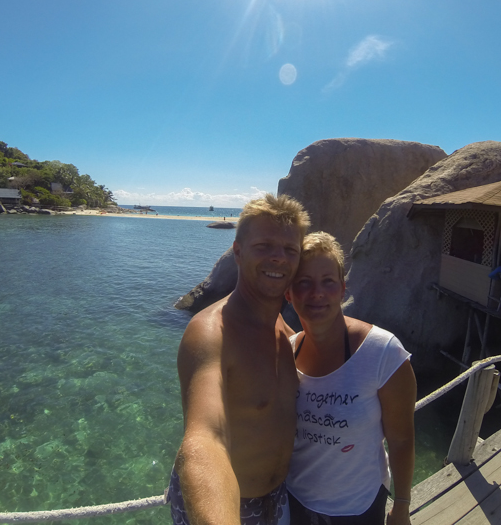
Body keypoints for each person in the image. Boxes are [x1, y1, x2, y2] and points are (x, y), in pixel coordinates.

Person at [170, 194, 311, 525]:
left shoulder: (287, 333)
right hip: (225, 505)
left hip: (277, 497)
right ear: (237, 252)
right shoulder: (211, 333)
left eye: (290, 250)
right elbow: (206, 439)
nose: (279, 257)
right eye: (264, 246)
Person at [285, 232, 417, 525]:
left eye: (328, 281)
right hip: (294, 503)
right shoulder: (288, 353)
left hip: (358, 508)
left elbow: (401, 439)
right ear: (288, 293)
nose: (317, 292)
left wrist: (402, 506)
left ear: (343, 289)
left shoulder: (382, 352)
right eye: (304, 282)